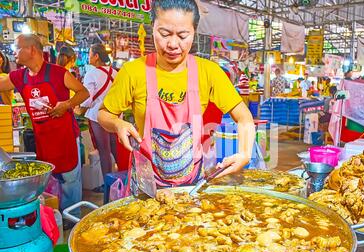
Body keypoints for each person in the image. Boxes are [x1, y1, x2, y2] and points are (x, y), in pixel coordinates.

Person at [98, 0, 255, 188]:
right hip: (146, 182)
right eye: (164, 34)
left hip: (192, 182)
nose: (173, 44)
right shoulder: (133, 71)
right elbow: (104, 114)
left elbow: (244, 117)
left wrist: (245, 153)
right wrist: (117, 123)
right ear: (152, 28)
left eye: (183, 35)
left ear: (194, 32)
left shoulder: (209, 72)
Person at [0, 34, 89, 219]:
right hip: (43, 139)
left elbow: (83, 92)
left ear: (31, 49)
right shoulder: (19, 77)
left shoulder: (58, 73)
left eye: (17, 48)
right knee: (50, 181)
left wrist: (66, 104)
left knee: (70, 181)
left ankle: (72, 219)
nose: (13, 52)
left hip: (66, 138)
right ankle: (53, 215)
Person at [80, 43, 118, 180]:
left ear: (96, 56)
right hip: (115, 116)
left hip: (97, 117)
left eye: (90, 54)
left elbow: (86, 97)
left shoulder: (91, 74)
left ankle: (108, 182)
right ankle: (121, 179)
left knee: (104, 151)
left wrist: (78, 108)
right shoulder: (115, 73)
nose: (88, 57)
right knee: (116, 150)